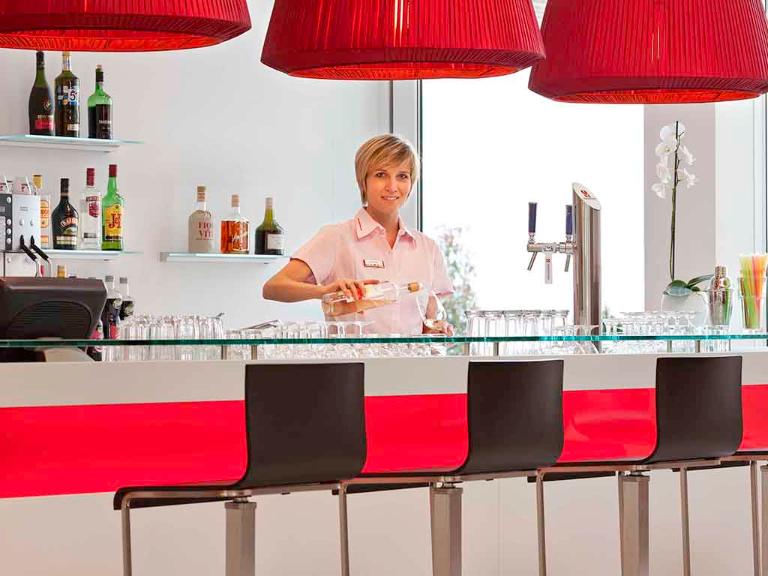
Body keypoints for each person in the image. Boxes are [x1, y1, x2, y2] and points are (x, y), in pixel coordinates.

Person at [263, 134, 454, 335]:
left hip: (411, 357)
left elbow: (430, 323)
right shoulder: (337, 237)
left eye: (402, 176)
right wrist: (324, 292)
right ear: (363, 181)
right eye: (381, 174)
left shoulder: (427, 248)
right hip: (351, 356)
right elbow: (273, 287)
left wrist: (438, 331)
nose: (392, 186)